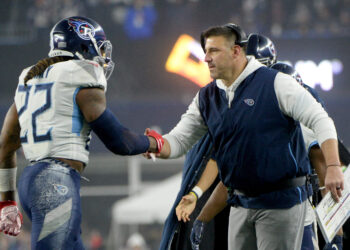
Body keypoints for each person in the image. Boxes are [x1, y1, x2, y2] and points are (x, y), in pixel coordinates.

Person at [147, 23, 344, 250]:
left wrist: (335, 235)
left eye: (214, 51)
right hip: (243, 203)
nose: (207, 59)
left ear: (237, 53)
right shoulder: (218, 95)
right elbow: (228, 169)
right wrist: (200, 210)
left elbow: (322, 158)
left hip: (290, 203)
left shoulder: (281, 85)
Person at [0, 16, 163, 249]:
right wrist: (152, 142)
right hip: (55, 183)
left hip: (30, 182)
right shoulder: (81, 73)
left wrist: (6, 203)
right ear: (84, 46)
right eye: (98, 47)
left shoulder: (28, 80)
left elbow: (6, 146)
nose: (102, 57)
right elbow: (119, 141)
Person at [159, 32, 278, 250]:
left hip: (265, 199)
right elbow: (218, 157)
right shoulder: (217, 99)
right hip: (227, 201)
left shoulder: (282, 97)